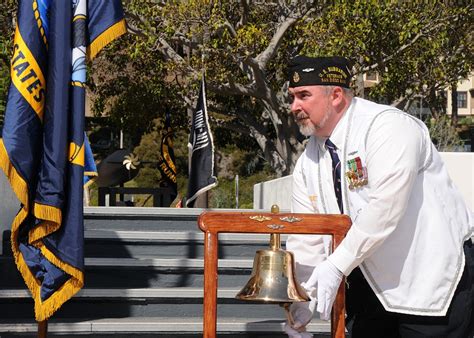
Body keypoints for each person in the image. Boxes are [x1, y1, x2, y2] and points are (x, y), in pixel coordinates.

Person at [283, 55, 474, 338]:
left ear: (336, 95)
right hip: (368, 286)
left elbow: (386, 207)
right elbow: (309, 234)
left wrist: (336, 265)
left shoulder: (389, 127)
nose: (294, 106)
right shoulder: (308, 159)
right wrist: (302, 298)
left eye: (303, 96)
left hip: (429, 280)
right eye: (293, 97)